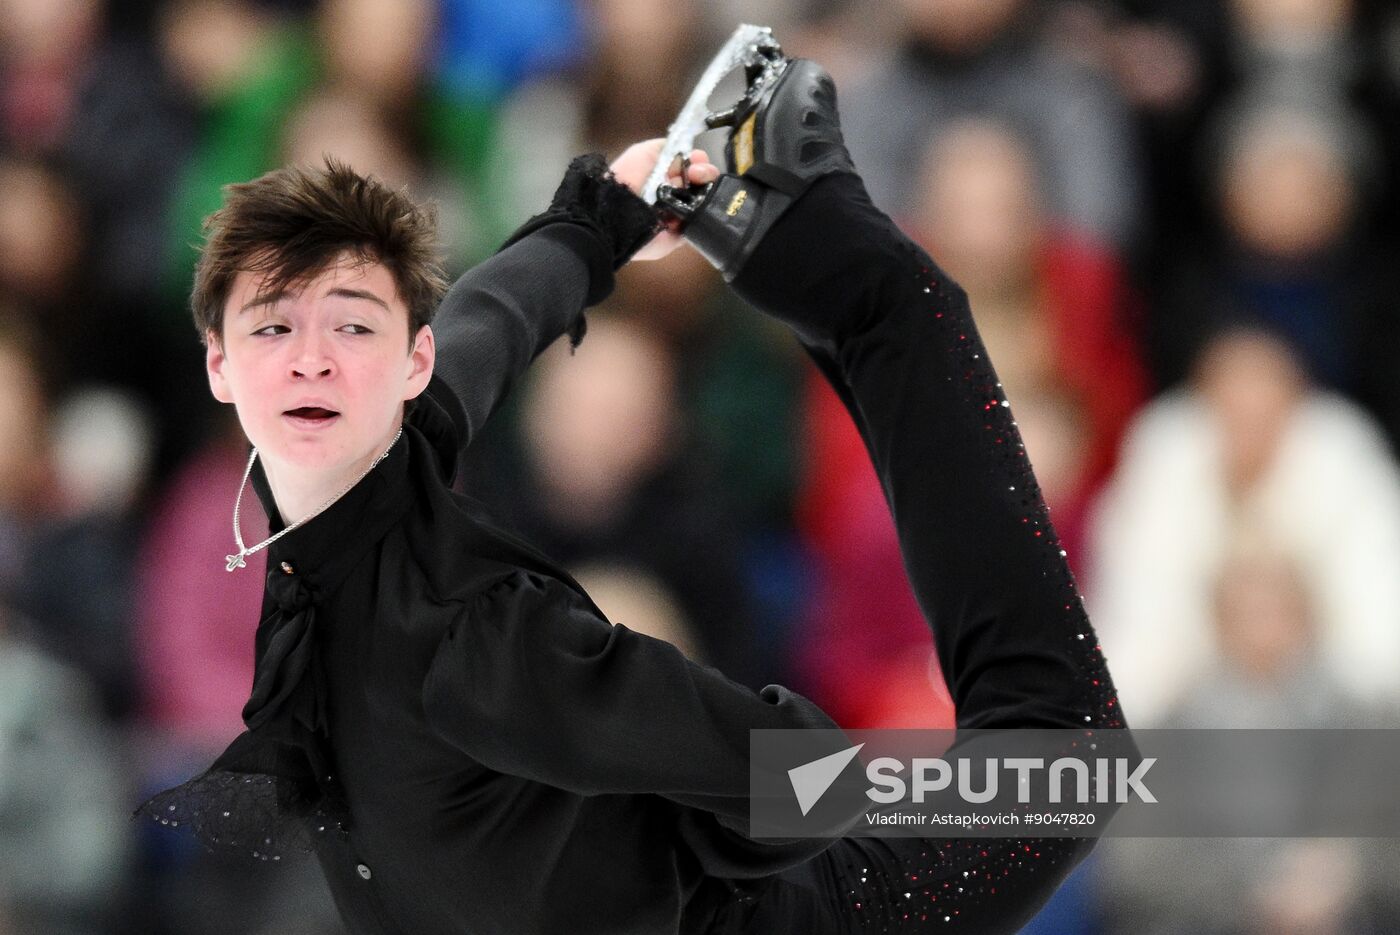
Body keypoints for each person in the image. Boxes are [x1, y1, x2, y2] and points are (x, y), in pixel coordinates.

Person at [136, 54, 1126, 934]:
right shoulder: (473, 642)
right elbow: (788, 776)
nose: (312, 363)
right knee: (1061, 754)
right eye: (281, 333)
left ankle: (805, 250)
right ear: (221, 368)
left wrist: (599, 218)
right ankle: (846, 273)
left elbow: (483, 328)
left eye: (346, 328)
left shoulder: (323, 525)